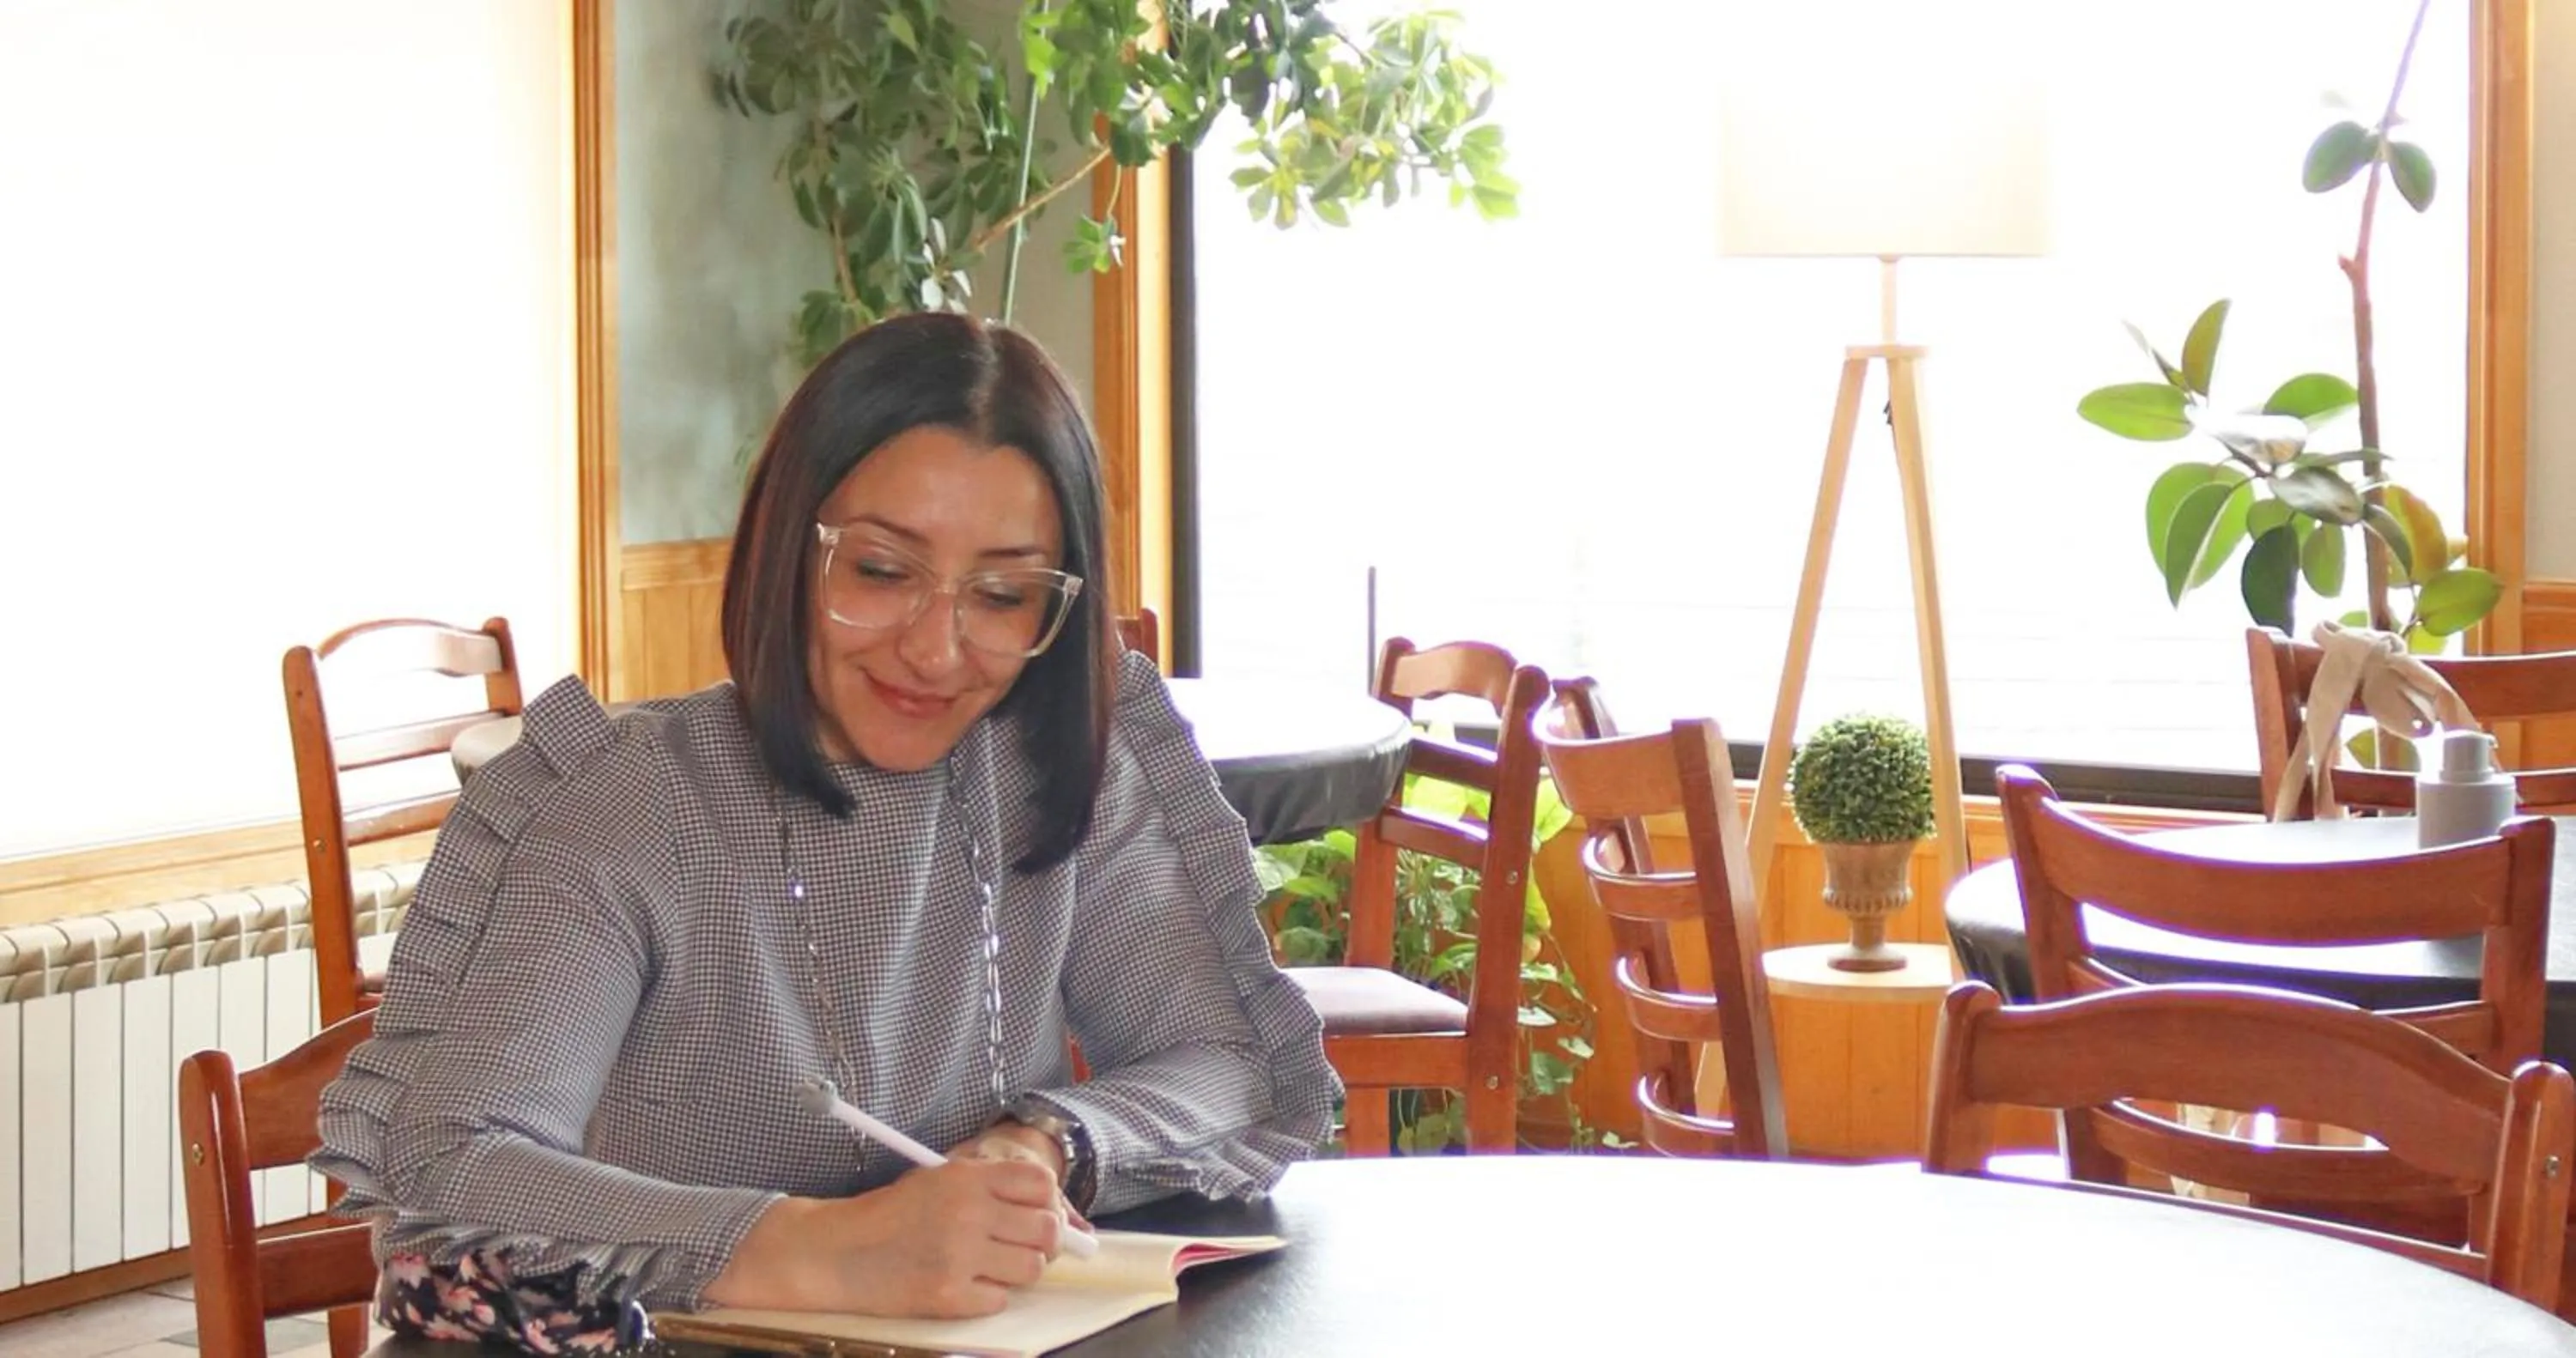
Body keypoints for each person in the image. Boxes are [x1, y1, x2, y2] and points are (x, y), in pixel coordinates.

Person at [313, 312, 1338, 1349]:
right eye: (882, 572)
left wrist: (1043, 1143)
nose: (937, 651)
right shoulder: (624, 803)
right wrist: (820, 1247)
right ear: (782, 547)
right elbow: (454, 1157)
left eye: (1002, 593)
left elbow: (1223, 1059)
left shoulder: (1057, 767)